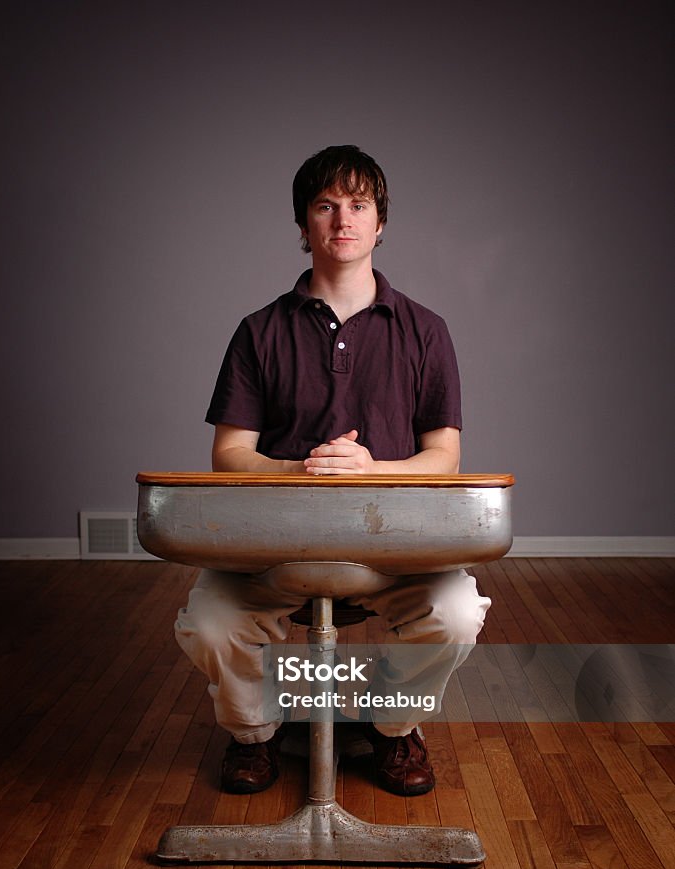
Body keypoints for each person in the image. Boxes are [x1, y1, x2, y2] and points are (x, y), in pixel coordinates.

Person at [175, 145, 491, 796]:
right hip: (273, 551)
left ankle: (392, 727)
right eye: (324, 206)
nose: (341, 219)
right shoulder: (258, 331)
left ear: (379, 223)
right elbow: (229, 454)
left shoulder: (425, 330)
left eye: (358, 205)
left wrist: (372, 469)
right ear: (303, 226)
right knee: (208, 622)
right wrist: (301, 466)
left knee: (457, 612)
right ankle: (253, 734)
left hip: (394, 551)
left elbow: (445, 457)